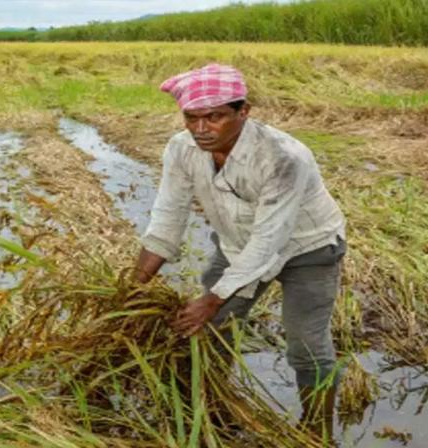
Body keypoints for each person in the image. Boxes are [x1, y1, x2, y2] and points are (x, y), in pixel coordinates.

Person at [133, 63, 346, 440]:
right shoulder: (182, 149)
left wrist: (213, 299)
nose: (201, 129)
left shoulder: (282, 157)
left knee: (306, 345)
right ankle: (212, 410)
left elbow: (269, 241)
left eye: (214, 117)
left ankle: (318, 432)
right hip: (237, 245)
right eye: (192, 117)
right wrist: (135, 285)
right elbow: (168, 215)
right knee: (209, 331)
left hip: (308, 249)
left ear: (243, 111)